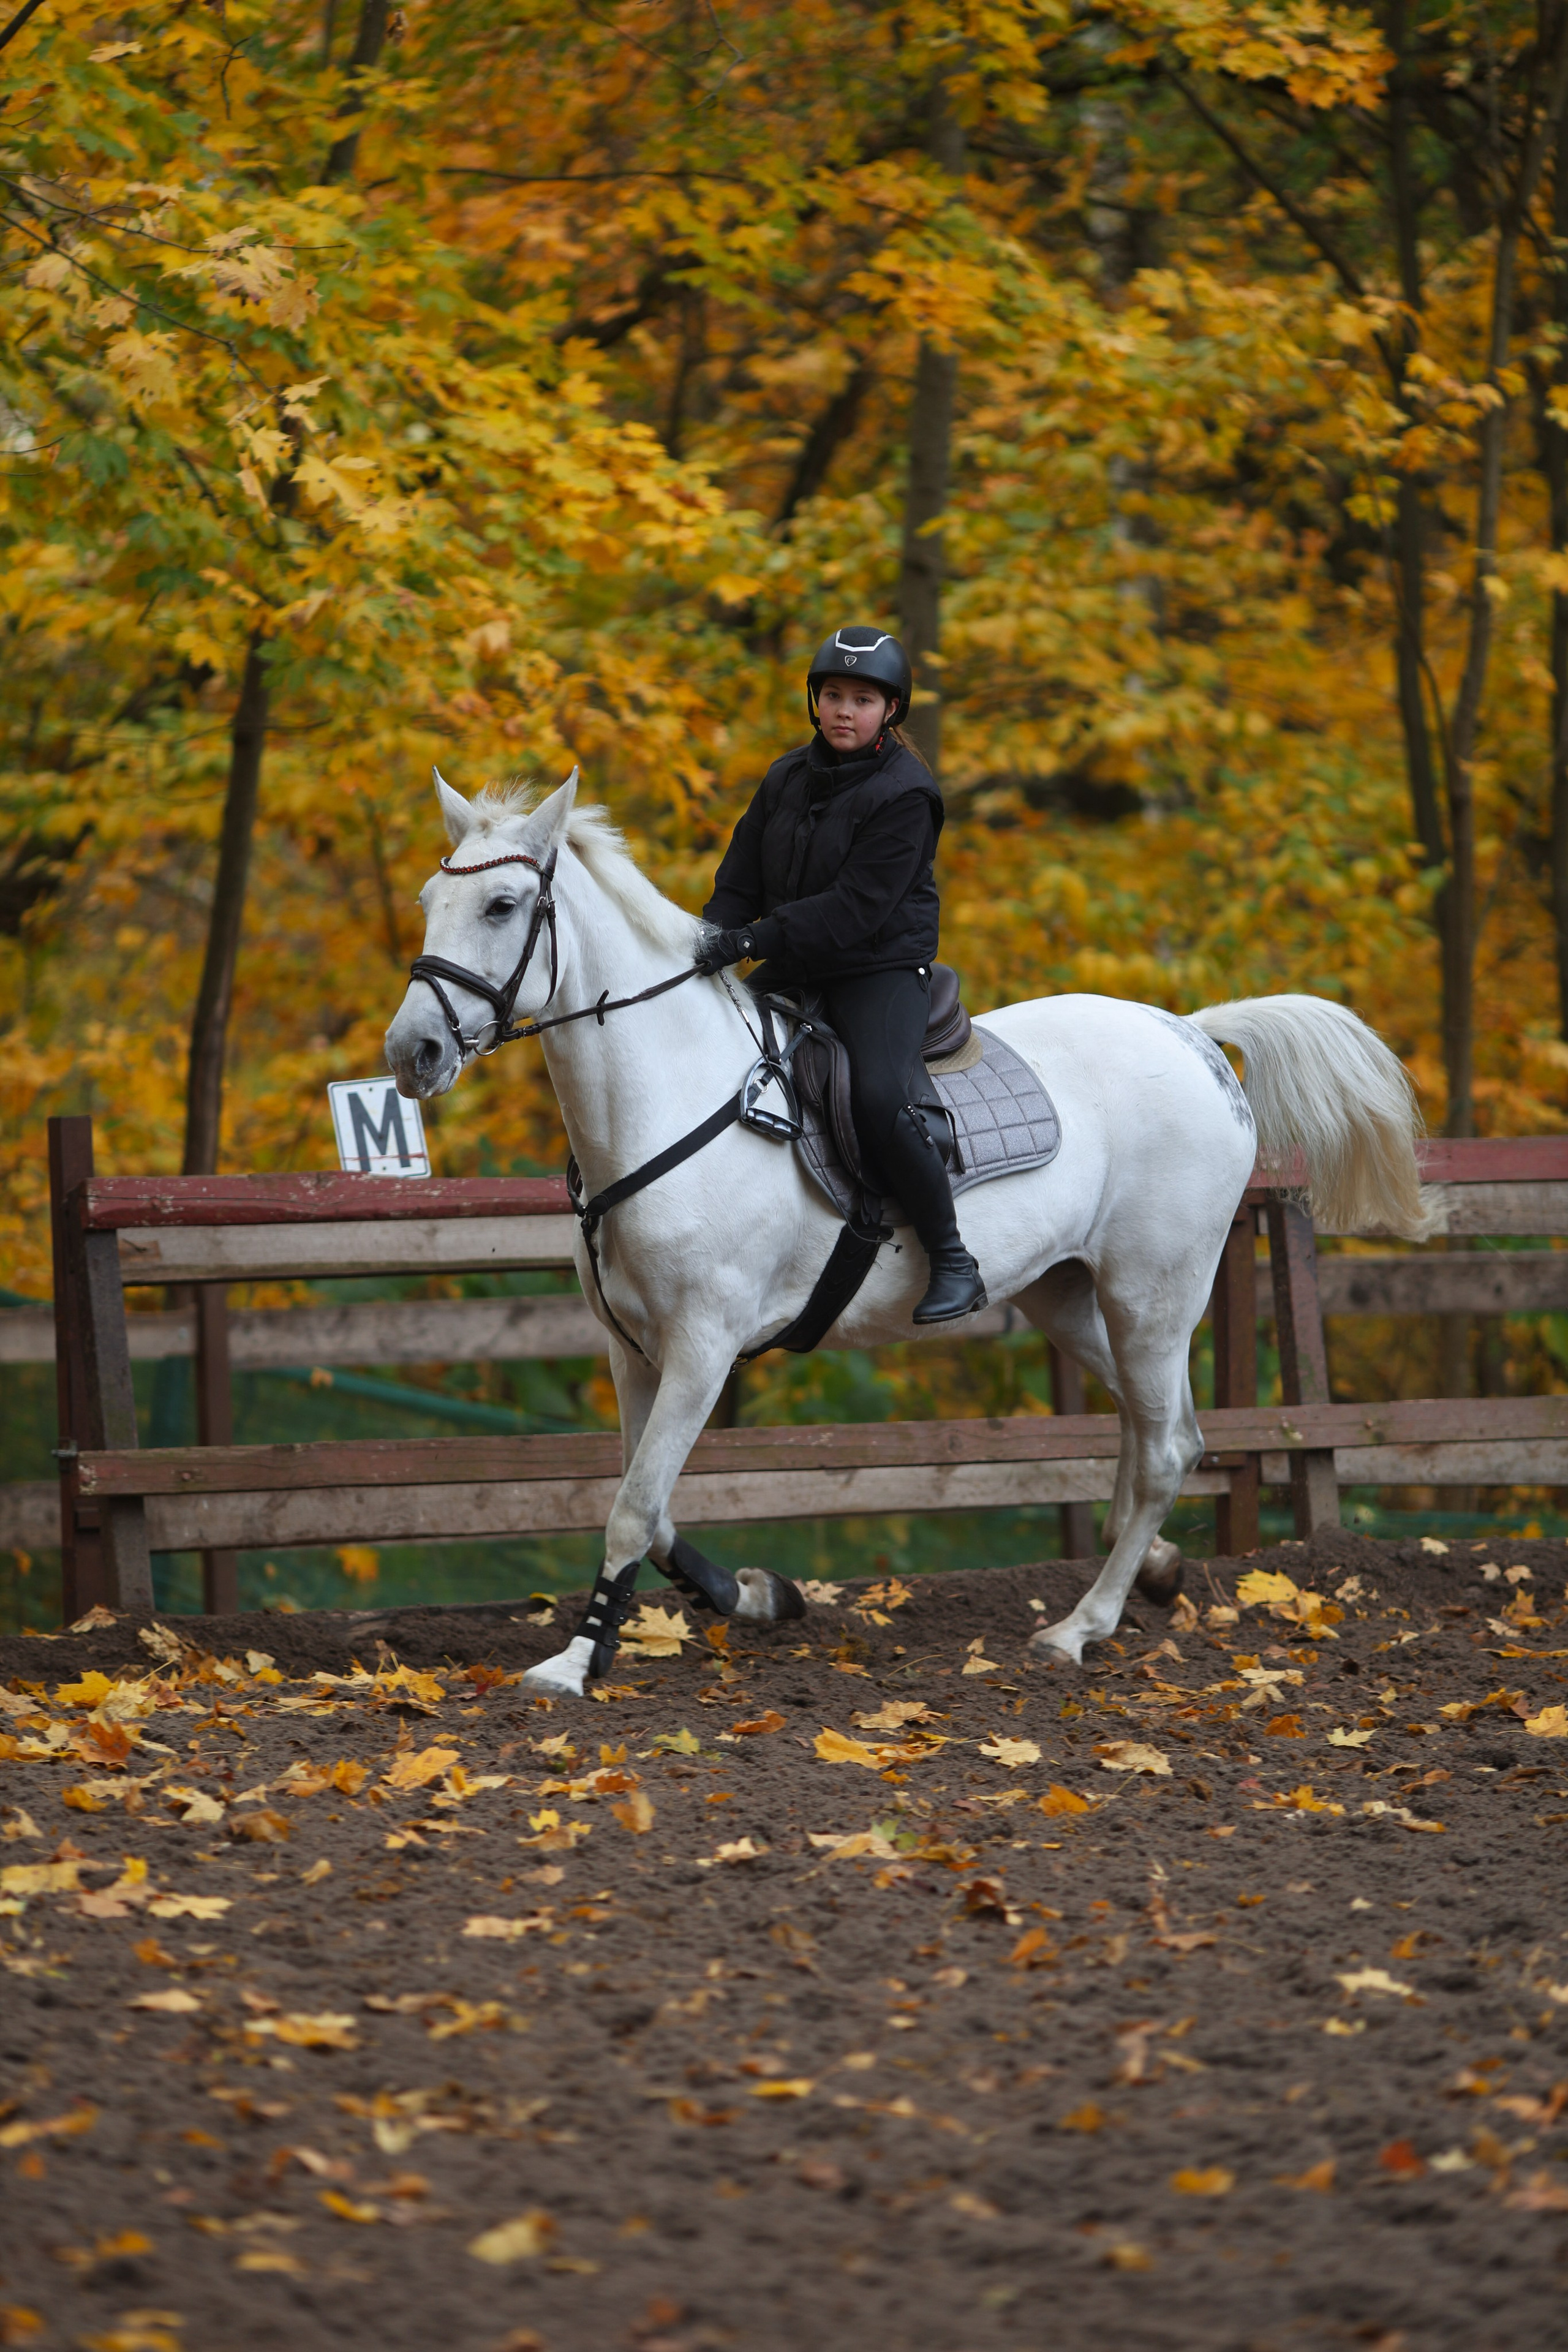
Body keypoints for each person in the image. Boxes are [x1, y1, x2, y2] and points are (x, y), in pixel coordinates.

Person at [697, 625, 987, 1324]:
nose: (843, 710)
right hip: (792, 960)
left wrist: (750, 939)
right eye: (832, 695)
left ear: (891, 710)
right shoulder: (784, 777)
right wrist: (709, 937)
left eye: (862, 698)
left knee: (880, 1099)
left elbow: (855, 911)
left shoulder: (908, 793)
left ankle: (953, 1259)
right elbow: (738, 878)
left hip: (877, 968)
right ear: (814, 702)